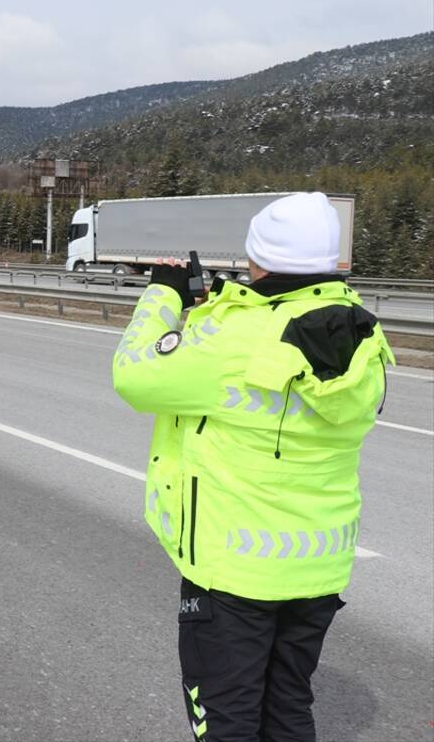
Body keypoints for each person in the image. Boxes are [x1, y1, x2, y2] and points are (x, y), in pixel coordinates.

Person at [111, 192, 393, 741]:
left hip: (234, 568)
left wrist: (162, 297)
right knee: (289, 707)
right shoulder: (363, 332)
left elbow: (134, 375)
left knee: (227, 719)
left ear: (257, 257)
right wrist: (238, 302)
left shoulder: (233, 337)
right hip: (317, 563)